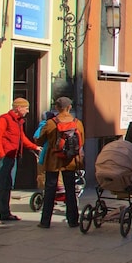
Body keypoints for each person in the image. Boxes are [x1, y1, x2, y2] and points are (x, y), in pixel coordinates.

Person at [0, 97, 41, 225]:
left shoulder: (18, 122)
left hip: (13, 157)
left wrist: (34, 147)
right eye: (26, 108)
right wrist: (0, 155)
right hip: (3, 157)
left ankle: (5, 212)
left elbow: (22, 138)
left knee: (8, 185)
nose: (27, 111)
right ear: (18, 108)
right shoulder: (3, 120)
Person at [34, 96, 85, 228]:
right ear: (69, 107)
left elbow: (39, 140)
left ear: (56, 108)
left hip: (53, 161)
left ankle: (45, 221)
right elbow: (81, 141)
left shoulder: (51, 123)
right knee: (70, 190)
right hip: (70, 161)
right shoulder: (77, 122)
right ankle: (73, 220)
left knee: (50, 190)